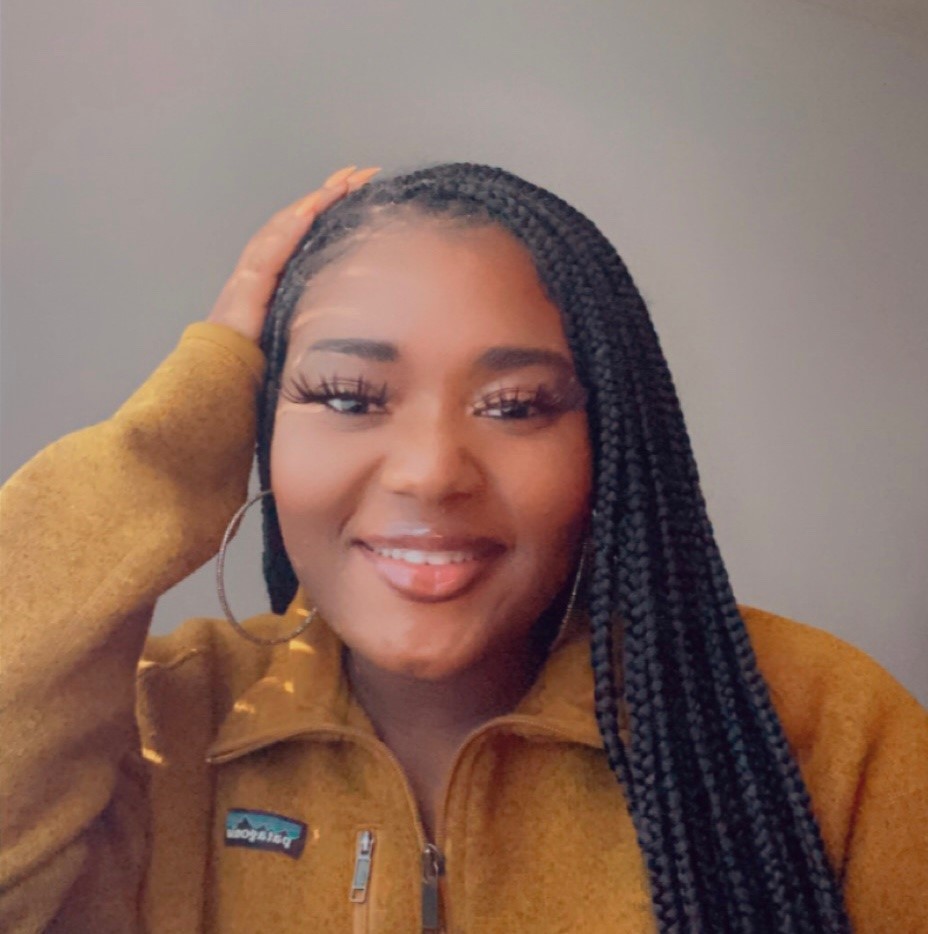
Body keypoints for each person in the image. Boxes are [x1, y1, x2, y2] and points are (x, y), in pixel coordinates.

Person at [1, 162, 926, 933]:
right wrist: (177, 428)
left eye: (516, 408)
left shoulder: (829, 732)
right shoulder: (154, 730)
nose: (432, 473)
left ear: (612, 445)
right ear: (258, 425)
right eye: (348, 397)